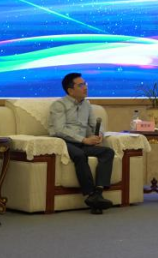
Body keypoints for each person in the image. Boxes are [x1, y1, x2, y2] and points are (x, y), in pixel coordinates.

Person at [48, 72, 115, 214]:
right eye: (81, 85)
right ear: (70, 90)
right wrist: (84, 140)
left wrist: (99, 135)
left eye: (85, 84)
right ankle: (90, 193)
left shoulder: (87, 104)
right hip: (64, 142)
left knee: (107, 152)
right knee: (79, 155)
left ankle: (98, 193)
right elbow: (59, 130)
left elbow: (94, 124)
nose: (85, 87)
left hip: (83, 143)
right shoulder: (59, 105)